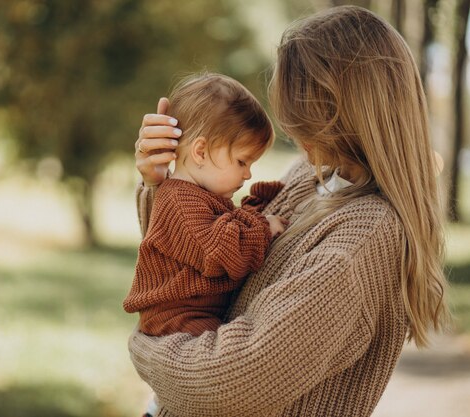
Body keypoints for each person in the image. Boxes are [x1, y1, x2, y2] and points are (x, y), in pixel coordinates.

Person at [128, 6, 450, 417]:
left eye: (303, 120)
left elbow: (227, 384)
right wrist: (166, 183)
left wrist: (146, 347)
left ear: (343, 114)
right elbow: (196, 258)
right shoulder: (311, 176)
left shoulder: (361, 239)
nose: (295, 136)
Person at [123, 73, 286, 338]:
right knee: (229, 352)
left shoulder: (197, 195)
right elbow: (221, 252)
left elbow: (226, 227)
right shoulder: (179, 201)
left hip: (194, 311)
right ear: (200, 152)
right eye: (242, 162)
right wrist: (263, 228)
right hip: (176, 319)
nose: (248, 175)